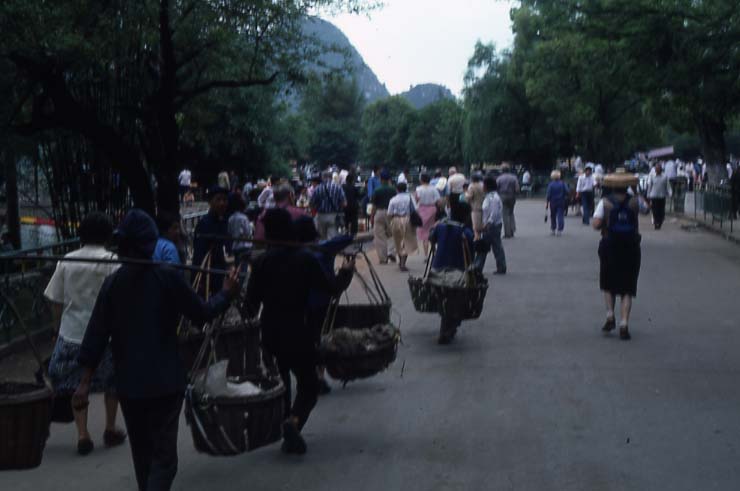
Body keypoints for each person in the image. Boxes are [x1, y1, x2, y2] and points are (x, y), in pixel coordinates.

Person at [73, 209, 238, 490]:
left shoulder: (114, 284)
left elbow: (95, 335)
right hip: (165, 383)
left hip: (131, 386)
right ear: (151, 245)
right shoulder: (167, 277)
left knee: (144, 456)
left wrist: (84, 382)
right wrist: (226, 293)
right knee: (164, 460)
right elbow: (202, 313)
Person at [246, 208, 353, 455]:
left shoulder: (260, 262)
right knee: (309, 384)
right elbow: (331, 288)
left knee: (281, 384)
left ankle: (287, 421)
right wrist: (346, 271)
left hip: (270, 333)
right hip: (298, 330)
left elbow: (250, 307)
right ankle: (293, 422)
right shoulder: (305, 259)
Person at [44, 212, 126, 456]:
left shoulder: (67, 260)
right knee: (113, 383)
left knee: (76, 384)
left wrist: (56, 327)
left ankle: (82, 433)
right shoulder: (112, 261)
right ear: (108, 235)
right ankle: (110, 427)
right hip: (105, 337)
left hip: (72, 333)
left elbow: (55, 298)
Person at [294, 216, 354, 396]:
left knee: (306, 339)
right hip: (321, 301)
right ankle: (318, 377)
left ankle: (310, 377)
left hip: (299, 302)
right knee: (320, 338)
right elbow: (347, 238)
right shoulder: (324, 248)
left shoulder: (293, 251)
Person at [592, 172, 641, 340]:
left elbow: (596, 224)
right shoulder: (635, 201)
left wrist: (605, 223)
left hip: (609, 245)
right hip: (631, 247)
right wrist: (636, 191)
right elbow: (646, 210)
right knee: (628, 287)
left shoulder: (604, 202)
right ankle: (624, 323)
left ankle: (610, 315)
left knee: (608, 283)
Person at [429, 203, 475, 344]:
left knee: (444, 299)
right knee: (458, 299)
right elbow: (471, 252)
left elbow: (432, 238)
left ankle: (447, 327)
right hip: (457, 274)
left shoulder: (440, 227)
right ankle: (450, 327)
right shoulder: (465, 232)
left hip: (436, 272)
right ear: (466, 216)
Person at [192, 186, 229, 294]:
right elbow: (199, 254)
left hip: (219, 272)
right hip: (206, 274)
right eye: (218, 199)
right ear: (210, 202)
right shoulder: (204, 224)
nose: (222, 203)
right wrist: (200, 279)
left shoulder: (224, 221)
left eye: (224, 200)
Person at [474, 176, 506, 274]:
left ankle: (478, 266)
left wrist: (487, 224)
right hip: (491, 225)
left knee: (488, 246)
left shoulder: (492, 198)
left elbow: (494, 213)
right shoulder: (490, 196)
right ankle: (479, 266)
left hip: (491, 226)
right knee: (489, 246)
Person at [387, 182, 419, 272]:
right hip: (407, 220)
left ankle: (400, 260)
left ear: (397, 190)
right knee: (406, 242)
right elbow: (415, 209)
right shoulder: (409, 197)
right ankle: (403, 263)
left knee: (397, 241)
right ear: (405, 189)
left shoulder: (393, 199)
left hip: (396, 220)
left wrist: (390, 223)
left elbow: (389, 213)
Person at [310, 170, 347, 240]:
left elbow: (311, 203)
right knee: (333, 238)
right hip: (334, 216)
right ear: (331, 177)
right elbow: (344, 203)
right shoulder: (338, 187)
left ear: (322, 178)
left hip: (321, 216)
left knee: (322, 238)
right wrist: (338, 208)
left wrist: (316, 209)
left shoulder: (317, 188)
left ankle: (324, 246)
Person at [371, 171, 397, 264]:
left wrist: (372, 216)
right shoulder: (393, 190)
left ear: (380, 179)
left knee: (379, 236)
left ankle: (383, 258)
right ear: (389, 179)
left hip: (379, 212)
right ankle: (391, 252)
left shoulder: (377, 190)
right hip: (391, 213)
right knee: (393, 234)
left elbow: (374, 205)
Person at [415, 173, 442, 256]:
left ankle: (426, 255)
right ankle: (434, 250)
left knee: (424, 233)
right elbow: (439, 202)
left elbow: (416, 200)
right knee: (432, 229)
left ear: (421, 180)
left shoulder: (418, 189)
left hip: (422, 210)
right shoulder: (434, 189)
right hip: (432, 209)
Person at [228, 193, 254, 269]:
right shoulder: (244, 218)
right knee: (244, 267)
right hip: (245, 245)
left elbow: (229, 232)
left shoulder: (231, 218)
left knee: (237, 266)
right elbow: (248, 232)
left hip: (235, 246)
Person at [496, 163, 520, 238]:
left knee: (505, 214)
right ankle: (512, 230)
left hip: (502, 196)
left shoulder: (499, 178)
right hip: (512, 196)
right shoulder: (514, 178)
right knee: (511, 213)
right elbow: (517, 189)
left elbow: (496, 188)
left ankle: (507, 233)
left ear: (502, 170)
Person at [647, 162, 672, 230]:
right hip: (654, 196)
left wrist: (670, 193)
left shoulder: (665, 177)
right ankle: (656, 223)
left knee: (661, 211)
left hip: (662, 196)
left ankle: (660, 222)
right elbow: (650, 186)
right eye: (656, 169)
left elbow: (668, 186)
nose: (657, 170)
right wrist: (648, 195)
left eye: (658, 169)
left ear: (661, 170)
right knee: (655, 210)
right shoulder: (652, 176)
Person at [545, 170, 569, 236]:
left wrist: (547, 202)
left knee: (553, 216)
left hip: (553, 202)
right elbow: (567, 191)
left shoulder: (551, 184)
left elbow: (548, 194)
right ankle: (560, 230)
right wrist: (564, 195)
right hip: (561, 201)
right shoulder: (563, 183)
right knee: (560, 215)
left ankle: (553, 229)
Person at [466, 172, 486, 240]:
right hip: (483, 207)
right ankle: (481, 239)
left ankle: (477, 240)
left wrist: (466, 195)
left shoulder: (472, 186)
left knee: (475, 227)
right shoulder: (482, 185)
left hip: (475, 208)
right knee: (482, 225)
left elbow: (469, 197)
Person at [342, 169, 360, 236]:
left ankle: (346, 232)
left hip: (345, 207)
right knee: (354, 221)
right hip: (353, 207)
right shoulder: (354, 188)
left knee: (346, 220)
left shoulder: (343, 187)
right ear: (352, 180)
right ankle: (353, 234)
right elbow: (358, 196)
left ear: (346, 180)